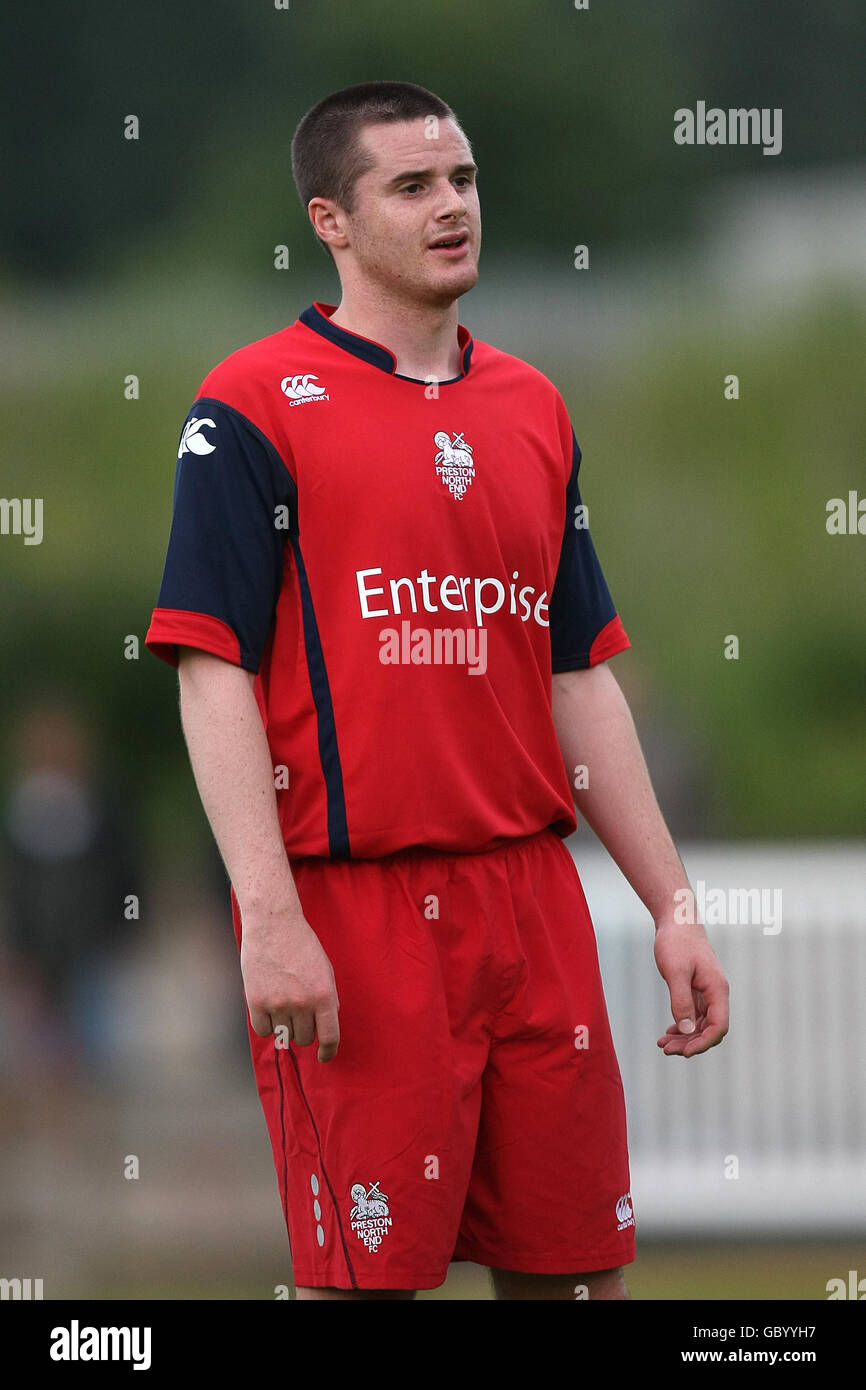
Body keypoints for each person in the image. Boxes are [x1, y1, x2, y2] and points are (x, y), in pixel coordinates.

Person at [145, 80, 729, 1301]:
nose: (451, 205)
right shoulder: (250, 405)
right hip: (354, 912)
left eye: (460, 179)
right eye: (411, 186)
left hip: (530, 903)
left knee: (576, 1279)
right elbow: (213, 678)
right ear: (332, 220)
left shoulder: (533, 406)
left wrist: (670, 901)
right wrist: (270, 916)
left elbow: (577, 678)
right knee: (366, 1290)